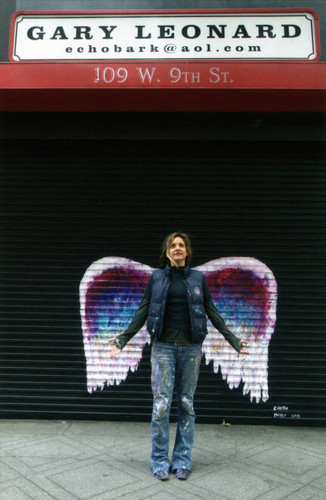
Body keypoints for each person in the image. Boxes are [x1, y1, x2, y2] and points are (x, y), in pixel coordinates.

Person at [109, 231, 250, 481]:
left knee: (186, 403)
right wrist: (123, 338)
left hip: (191, 349)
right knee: (161, 406)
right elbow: (143, 311)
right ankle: (160, 460)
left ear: (187, 251)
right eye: (173, 245)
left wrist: (232, 339)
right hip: (163, 348)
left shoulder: (197, 279)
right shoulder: (157, 279)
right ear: (166, 251)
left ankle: (183, 459)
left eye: (181, 245)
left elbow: (211, 311)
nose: (177, 248)